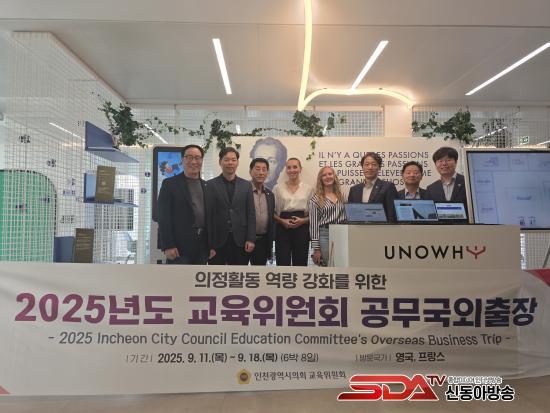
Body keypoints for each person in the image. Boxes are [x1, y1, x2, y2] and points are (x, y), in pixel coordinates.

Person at [157, 144, 209, 264]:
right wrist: (168, 245)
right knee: (178, 276)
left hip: (202, 247)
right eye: (189, 157)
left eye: (197, 157)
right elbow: (163, 217)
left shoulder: (206, 185)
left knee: (199, 277)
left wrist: (211, 245)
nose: (194, 161)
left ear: (202, 160)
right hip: (178, 248)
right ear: (182, 160)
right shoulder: (169, 184)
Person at [207, 147, 256, 265]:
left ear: (237, 162)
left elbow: (251, 214)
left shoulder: (246, 185)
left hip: (240, 241)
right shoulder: (210, 185)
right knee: (216, 274)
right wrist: (209, 244)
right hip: (217, 241)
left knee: (238, 274)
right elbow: (208, 216)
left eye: (233, 160)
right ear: (220, 162)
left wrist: (250, 239)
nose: (230, 163)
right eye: (226, 160)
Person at [273, 158, 313, 266]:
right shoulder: (278, 188)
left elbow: (313, 214)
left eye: (295, 167)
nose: (292, 170)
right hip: (282, 227)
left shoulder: (308, 189)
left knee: (300, 263)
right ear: (286, 170)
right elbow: (272, 212)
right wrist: (282, 221)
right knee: (282, 262)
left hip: (302, 228)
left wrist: (303, 221)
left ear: (300, 169)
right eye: (289, 167)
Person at [309, 166, 347, 266]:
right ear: (320, 179)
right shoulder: (315, 199)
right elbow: (313, 226)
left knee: (342, 265)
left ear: (334, 176)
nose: (327, 177)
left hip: (341, 234)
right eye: (324, 175)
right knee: (328, 265)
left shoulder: (342, 196)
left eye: (330, 174)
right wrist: (316, 249)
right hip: (325, 235)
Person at [347, 152, 398, 222]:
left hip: (381, 228)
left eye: (374, 164)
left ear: (379, 167)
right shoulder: (354, 189)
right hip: (358, 228)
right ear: (362, 167)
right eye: (367, 164)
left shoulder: (388, 187)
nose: (370, 167)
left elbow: (392, 215)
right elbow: (351, 215)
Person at [426, 146, 468, 217]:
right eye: (440, 161)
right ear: (435, 164)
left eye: (448, 160)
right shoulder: (431, 188)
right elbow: (429, 213)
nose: (444, 164)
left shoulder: (467, 183)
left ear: (456, 162)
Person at [249, 157, 276, 265]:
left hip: (262, 241)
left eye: (264, 169)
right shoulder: (243, 190)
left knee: (259, 272)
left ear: (267, 173)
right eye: (257, 169)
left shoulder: (270, 194)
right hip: (244, 241)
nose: (261, 173)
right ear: (250, 171)